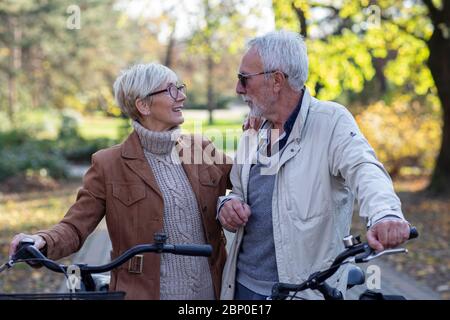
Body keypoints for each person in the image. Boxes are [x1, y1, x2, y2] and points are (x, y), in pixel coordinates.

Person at [9, 63, 232, 300]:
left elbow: (246, 182)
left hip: (212, 295)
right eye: (171, 90)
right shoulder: (108, 164)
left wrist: (259, 134)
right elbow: (75, 226)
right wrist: (42, 240)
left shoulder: (201, 149)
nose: (182, 95)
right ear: (143, 105)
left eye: (180, 87)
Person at [217, 30, 411, 300]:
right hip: (243, 286)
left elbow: (365, 168)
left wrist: (385, 214)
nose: (238, 88)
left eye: (244, 79)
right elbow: (237, 190)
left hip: (305, 291)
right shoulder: (254, 129)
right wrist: (227, 205)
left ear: (276, 80)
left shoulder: (331, 122)